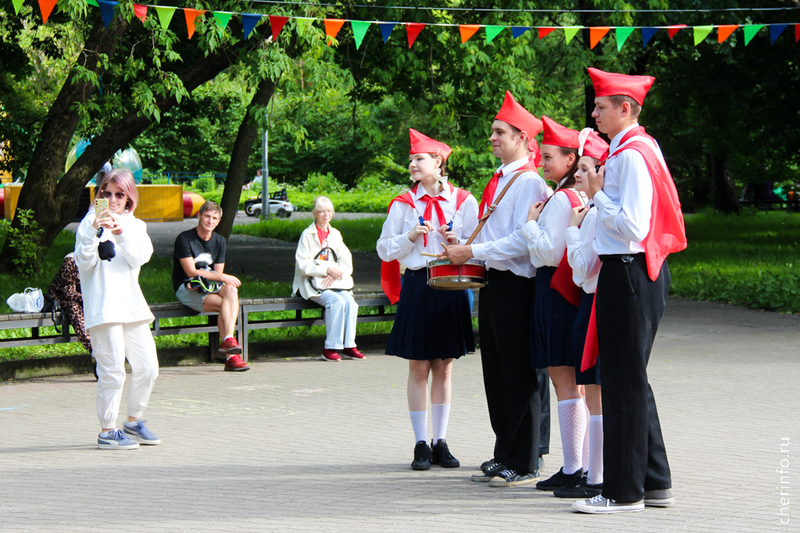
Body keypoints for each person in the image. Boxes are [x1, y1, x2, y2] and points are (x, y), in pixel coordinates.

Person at [572, 67, 687, 514]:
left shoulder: (630, 155)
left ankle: (624, 492)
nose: (594, 112)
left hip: (630, 271)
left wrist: (598, 196)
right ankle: (655, 483)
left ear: (625, 108)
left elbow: (633, 225)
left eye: (601, 106)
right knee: (631, 380)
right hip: (632, 273)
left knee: (621, 384)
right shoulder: (632, 148)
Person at [443, 92, 551, 487]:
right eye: (492, 131)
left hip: (517, 285)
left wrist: (472, 249)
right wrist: (461, 240)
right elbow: (495, 232)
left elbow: (522, 242)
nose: (492, 137)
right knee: (497, 373)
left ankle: (524, 459)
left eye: (499, 132)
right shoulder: (502, 179)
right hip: (494, 282)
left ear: (522, 137)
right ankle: (504, 450)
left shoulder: (529, 183)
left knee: (519, 374)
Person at [377, 128, 478, 471]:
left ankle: (441, 441)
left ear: (438, 161)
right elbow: (383, 248)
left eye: (419, 158)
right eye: (410, 160)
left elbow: (475, 245)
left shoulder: (464, 200)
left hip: (451, 284)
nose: (412, 165)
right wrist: (408, 237)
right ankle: (420, 443)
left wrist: (457, 241)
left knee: (444, 367)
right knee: (419, 365)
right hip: (419, 283)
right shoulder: (403, 204)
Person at [523, 117, 589, 493]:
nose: (543, 162)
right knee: (569, 383)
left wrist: (531, 225)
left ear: (569, 159)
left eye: (549, 157)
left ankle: (574, 465)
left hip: (556, 290)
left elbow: (548, 251)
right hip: (561, 290)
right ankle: (575, 463)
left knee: (565, 382)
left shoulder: (562, 198)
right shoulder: (567, 195)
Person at [74, 168, 160, 450]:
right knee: (113, 372)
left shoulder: (135, 226)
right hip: (103, 308)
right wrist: (93, 231)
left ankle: (133, 421)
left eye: (119, 195)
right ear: (99, 195)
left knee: (148, 367)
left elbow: (141, 256)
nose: (112, 199)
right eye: (106, 193)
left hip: (132, 308)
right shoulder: (88, 223)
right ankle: (107, 431)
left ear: (128, 198)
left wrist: (120, 232)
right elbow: (83, 263)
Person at [553, 128, 609, 499]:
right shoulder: (591, 211)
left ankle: (596, 476)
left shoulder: (593, 215)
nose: (578, 175)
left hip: (596, 302)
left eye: (585, 168)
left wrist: (572, 232)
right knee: (591, 389)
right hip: (592, 302)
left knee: (595, 391)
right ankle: (591, 472)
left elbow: (584, 268)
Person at [172, 201, 249, 371]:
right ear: (199, 216)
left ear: (219, 221)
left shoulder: (220, 240)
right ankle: (232, 357)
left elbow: (217, 277)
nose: (210, 221)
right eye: (207, 216)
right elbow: (191, 272)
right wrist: (221, 276)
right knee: (227, 306)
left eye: (214, 218)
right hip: (187, 288)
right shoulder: (184, 239)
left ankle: (228, 339)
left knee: (230, 289)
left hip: (209, 286)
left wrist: (221, 278)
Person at [293, 196, 365, 362]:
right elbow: (303, 266)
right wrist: (326, 269)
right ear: (315, 214)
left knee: (351, 303)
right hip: (311, 285)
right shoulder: (307, 234)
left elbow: (347, 262)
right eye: (321, 211)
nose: (326, 214)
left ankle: (349, 345)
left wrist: (334, 273)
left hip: (335, 283)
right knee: (336, 302)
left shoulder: (335, 234)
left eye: (329, 211)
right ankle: (330, 348)